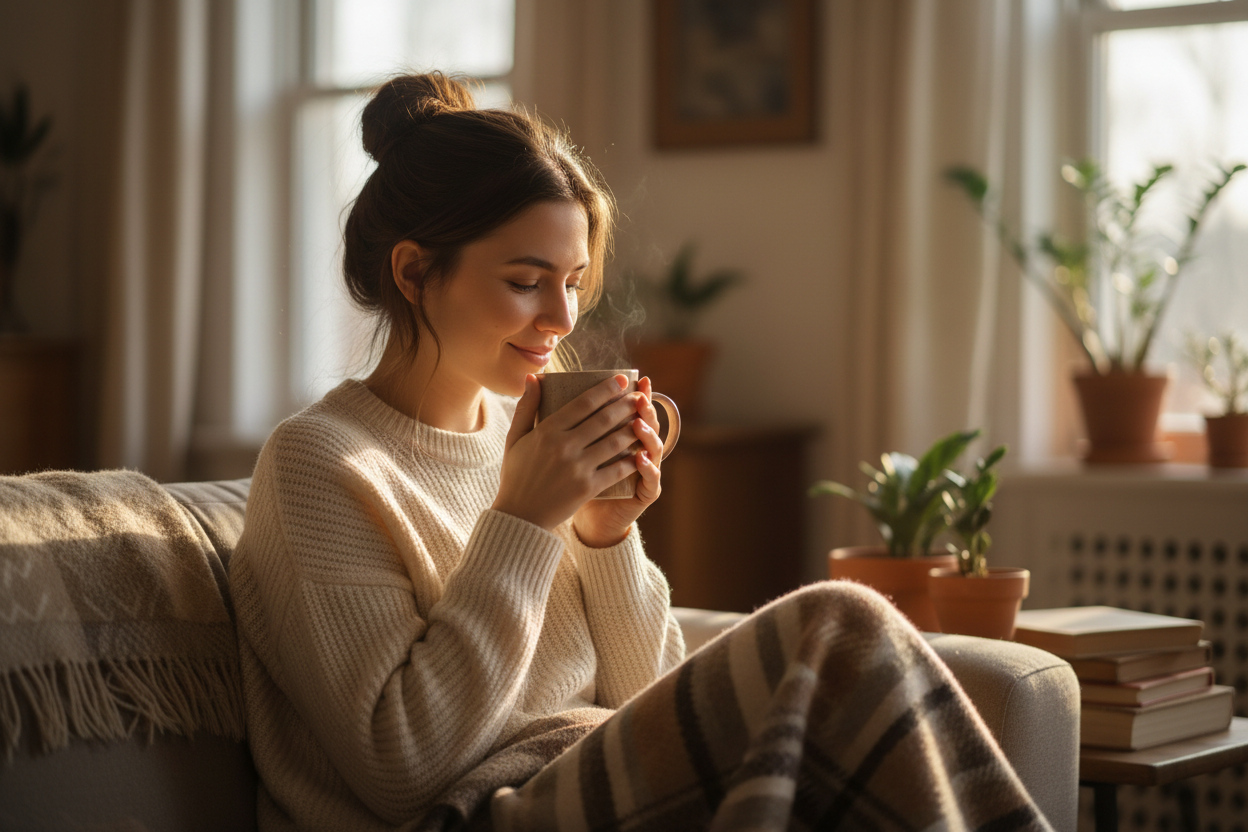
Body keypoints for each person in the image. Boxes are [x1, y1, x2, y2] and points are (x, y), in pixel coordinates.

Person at [230, 72, 1051, 832]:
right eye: (525, 280)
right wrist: (522, 519)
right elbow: (404, 768)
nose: (560, 317)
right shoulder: (321, 464)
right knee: (842, 619)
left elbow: (651, 701)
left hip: (592, 776)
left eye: (573, 281)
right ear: (413, 273)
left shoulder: (526, 444)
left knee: (838, 680)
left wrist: (607, 535)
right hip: (472, 811)